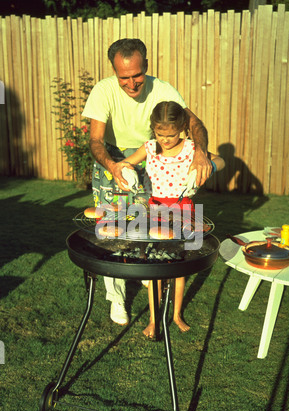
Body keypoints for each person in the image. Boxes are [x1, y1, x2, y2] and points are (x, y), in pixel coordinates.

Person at [82, 38, 213, 327]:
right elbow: (95, 140)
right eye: (123, 77)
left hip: (148, 159)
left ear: (147, 67)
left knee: (145, 226)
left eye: (137, 75)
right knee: (111, 231)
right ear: (114, 72)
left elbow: (194, 124)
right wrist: (114, 166)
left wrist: (201, 153)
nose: (131, 83)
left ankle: (147, 272)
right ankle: (116, 298)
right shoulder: (102, 91)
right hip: (113, 160)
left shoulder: (164, 89)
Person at [115, 101, 225, 337]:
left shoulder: (191, 148)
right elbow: (126, 162)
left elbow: (221, 160)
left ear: (183, 128)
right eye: (160, 133)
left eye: (171, 134)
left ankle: (176, 314)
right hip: (156, 212)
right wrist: (126, 170)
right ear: (153, 130)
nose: (165, 139)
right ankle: (154, 320)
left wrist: (206, 167)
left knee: (179, 266)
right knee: (153, 265)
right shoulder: (150, 147)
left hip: (183, 211)